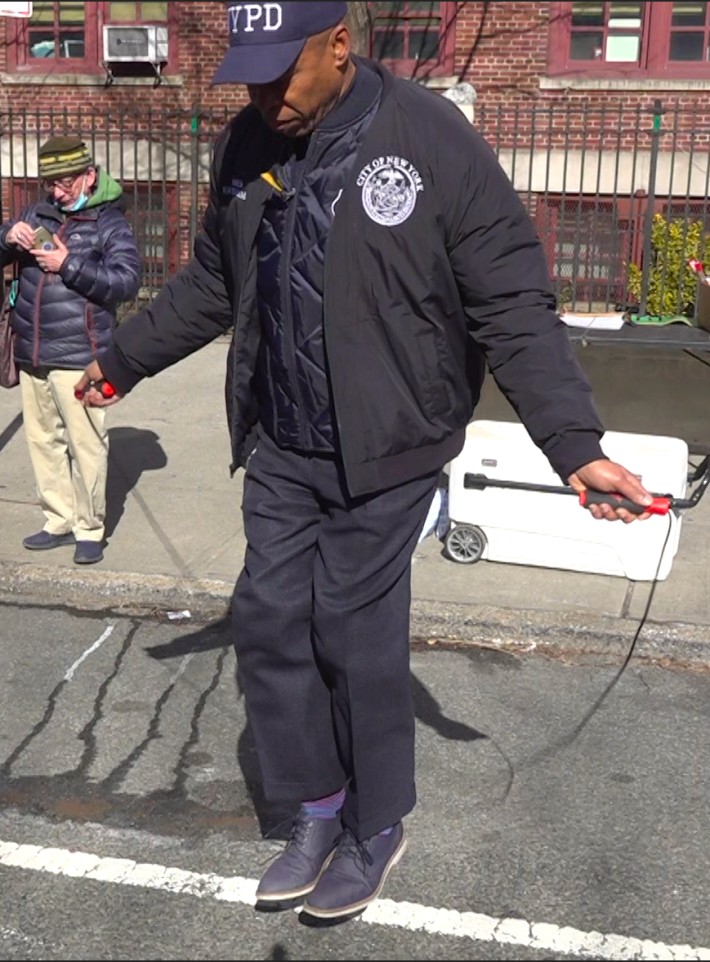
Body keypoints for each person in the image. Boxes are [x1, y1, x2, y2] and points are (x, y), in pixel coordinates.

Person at [77, 2, 654, 919]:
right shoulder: (246, 142)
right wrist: (122, 360)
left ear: (339, 45)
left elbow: (511, 299)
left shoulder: (431, 139)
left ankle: (377, 824)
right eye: (251, 75)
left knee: (351, 629)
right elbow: (217, 282)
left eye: (281, 73)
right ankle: (318, 807)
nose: (264, 94)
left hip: (390, 444)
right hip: (283, 441)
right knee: (268, 621)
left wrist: (573, 446)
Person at [0, 136, 141, 566]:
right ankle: (58, 520)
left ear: (89, 176)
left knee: (86, 444)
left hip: (82, 353)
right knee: (43, 440)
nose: (57, 192)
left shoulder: (108, 223)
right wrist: (9, 236)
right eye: (52, 184)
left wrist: (69, 265)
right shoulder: (37, 212)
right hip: (33, 349)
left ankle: (89, 528)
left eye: (65, 183)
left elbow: (126, 281)